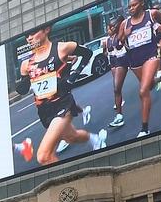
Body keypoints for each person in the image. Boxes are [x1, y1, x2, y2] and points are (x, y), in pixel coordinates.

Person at [15, 21, 108, 165]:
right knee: (72, 137)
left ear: (46, 29)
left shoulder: (62, 48)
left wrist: (72, 77)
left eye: (33, 33)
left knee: (43, 156)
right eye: (26, 36)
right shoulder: (26, 63)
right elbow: (23, 89)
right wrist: (23, 78)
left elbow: (87, 54)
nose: (29, 38)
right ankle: (95, 139)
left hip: (62, 104)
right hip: (44, 110)